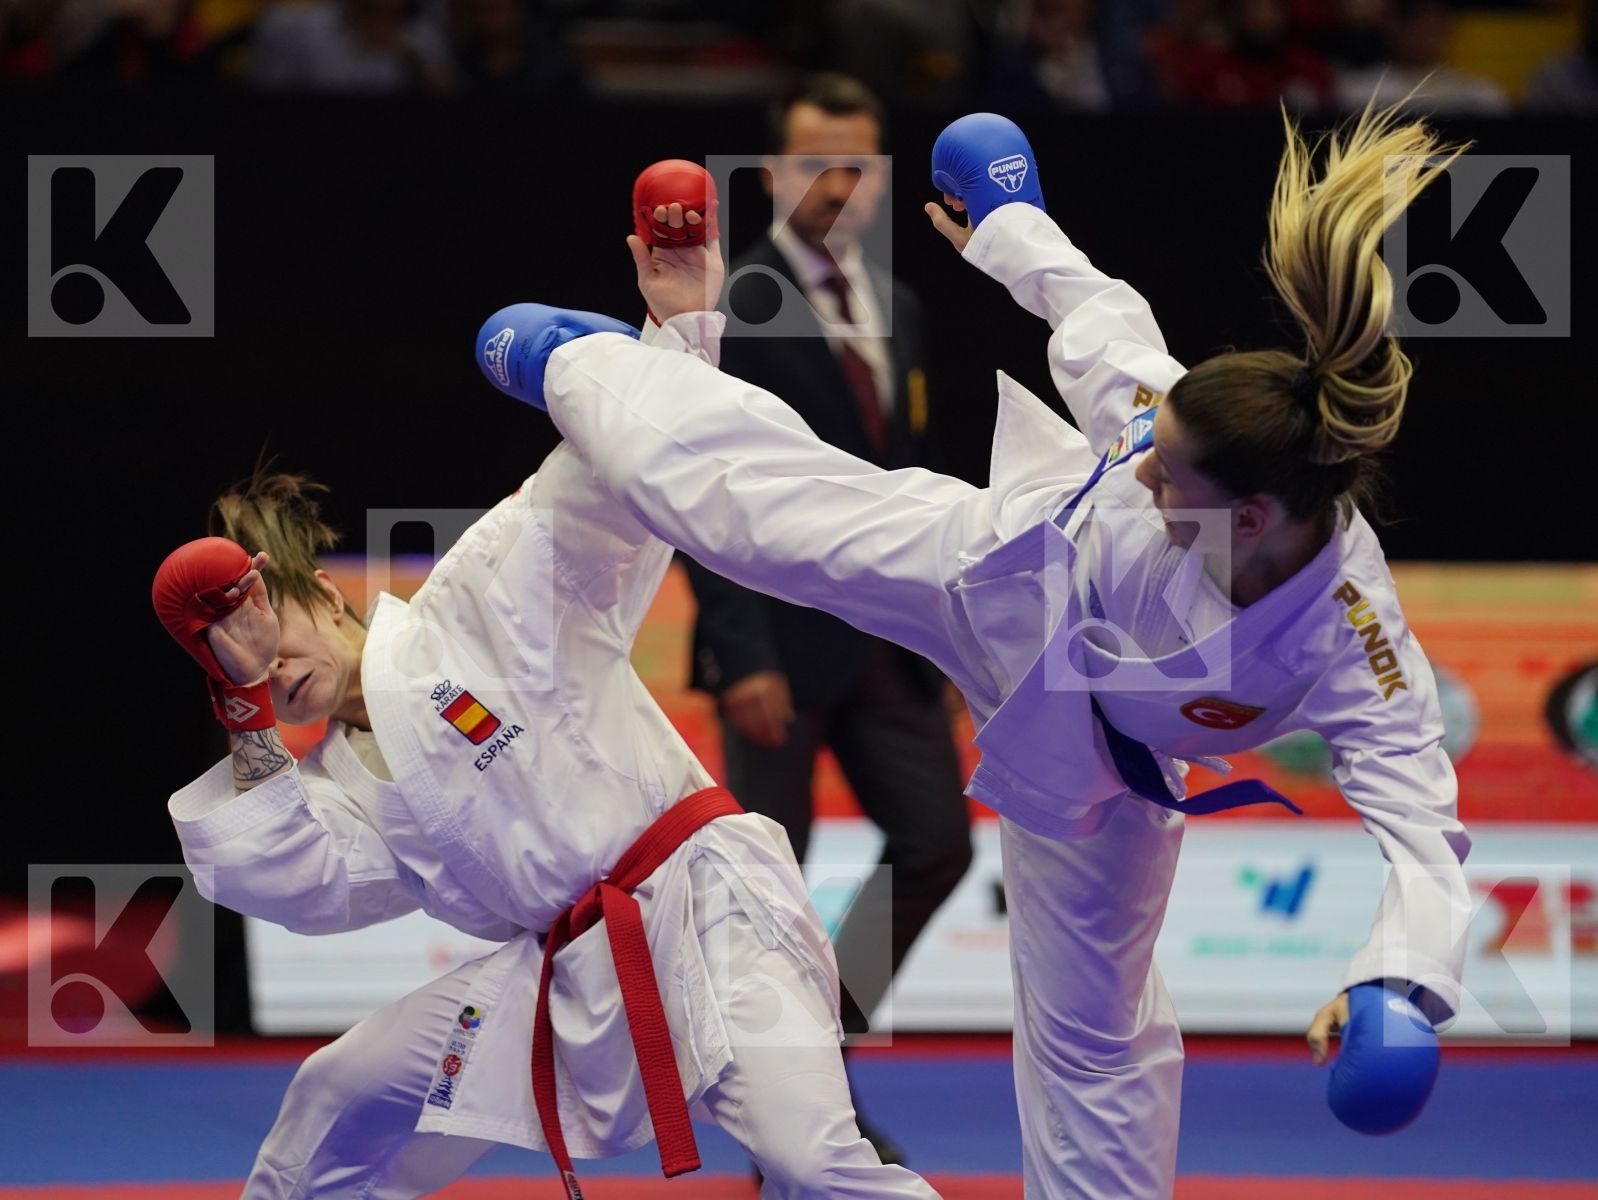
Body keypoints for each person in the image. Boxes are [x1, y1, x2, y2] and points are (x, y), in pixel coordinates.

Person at [483, 102, 1474, 1198]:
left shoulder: (1354, 642)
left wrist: (1400, 987)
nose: (1144, 469)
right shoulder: (1173, 421)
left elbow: (1424, 835)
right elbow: (1096, 313)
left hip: (1100, 778)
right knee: (751, 518)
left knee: (1096, 1044)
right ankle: (587, 368)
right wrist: (1009, 220)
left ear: (1247, 520)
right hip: (998, 576)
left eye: (1168, 478)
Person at [150, 183, 942, 1197]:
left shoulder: (478, 596)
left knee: (811, 1160)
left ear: (331, 600)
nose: (260, 653)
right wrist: (244, 708)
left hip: (710, 916)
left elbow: (612, 482)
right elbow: (293, 882)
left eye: (266, 621)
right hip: (562, 974)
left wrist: (681, 329)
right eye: (231, 654)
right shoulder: (345, 789)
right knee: (336, 1090)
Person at [685, 71, 973, 1163]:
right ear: (771, 173)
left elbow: (914, 476)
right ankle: (795, 1123)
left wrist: (947, 627)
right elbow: (694, 489)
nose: (836, 184)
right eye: (815, 162)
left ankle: (807, 1065)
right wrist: (738, 651)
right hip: (773, 644)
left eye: (856, 165)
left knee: (937, 843)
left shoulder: (894, 303)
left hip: (890, 639)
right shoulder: (730, 299)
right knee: (770, 886)